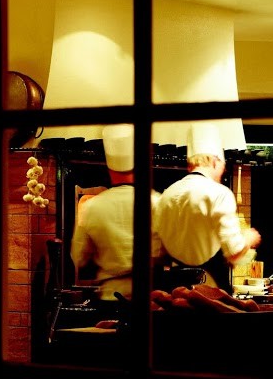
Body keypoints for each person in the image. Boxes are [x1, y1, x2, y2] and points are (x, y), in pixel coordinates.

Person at [155, 123, 260, 294]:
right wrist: (248, 238)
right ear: (213, 161)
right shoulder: (219, 193)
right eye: (222, 165)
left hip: (173, 292)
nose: (223, 170)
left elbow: (157, 252)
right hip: (209, 290)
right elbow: (234, 252)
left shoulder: (166, 195)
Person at [70, 123, 163, 303]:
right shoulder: (157, 202)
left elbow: (79, 256)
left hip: (111, 297)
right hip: (150, 298)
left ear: (110, 169)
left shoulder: (91, 206)